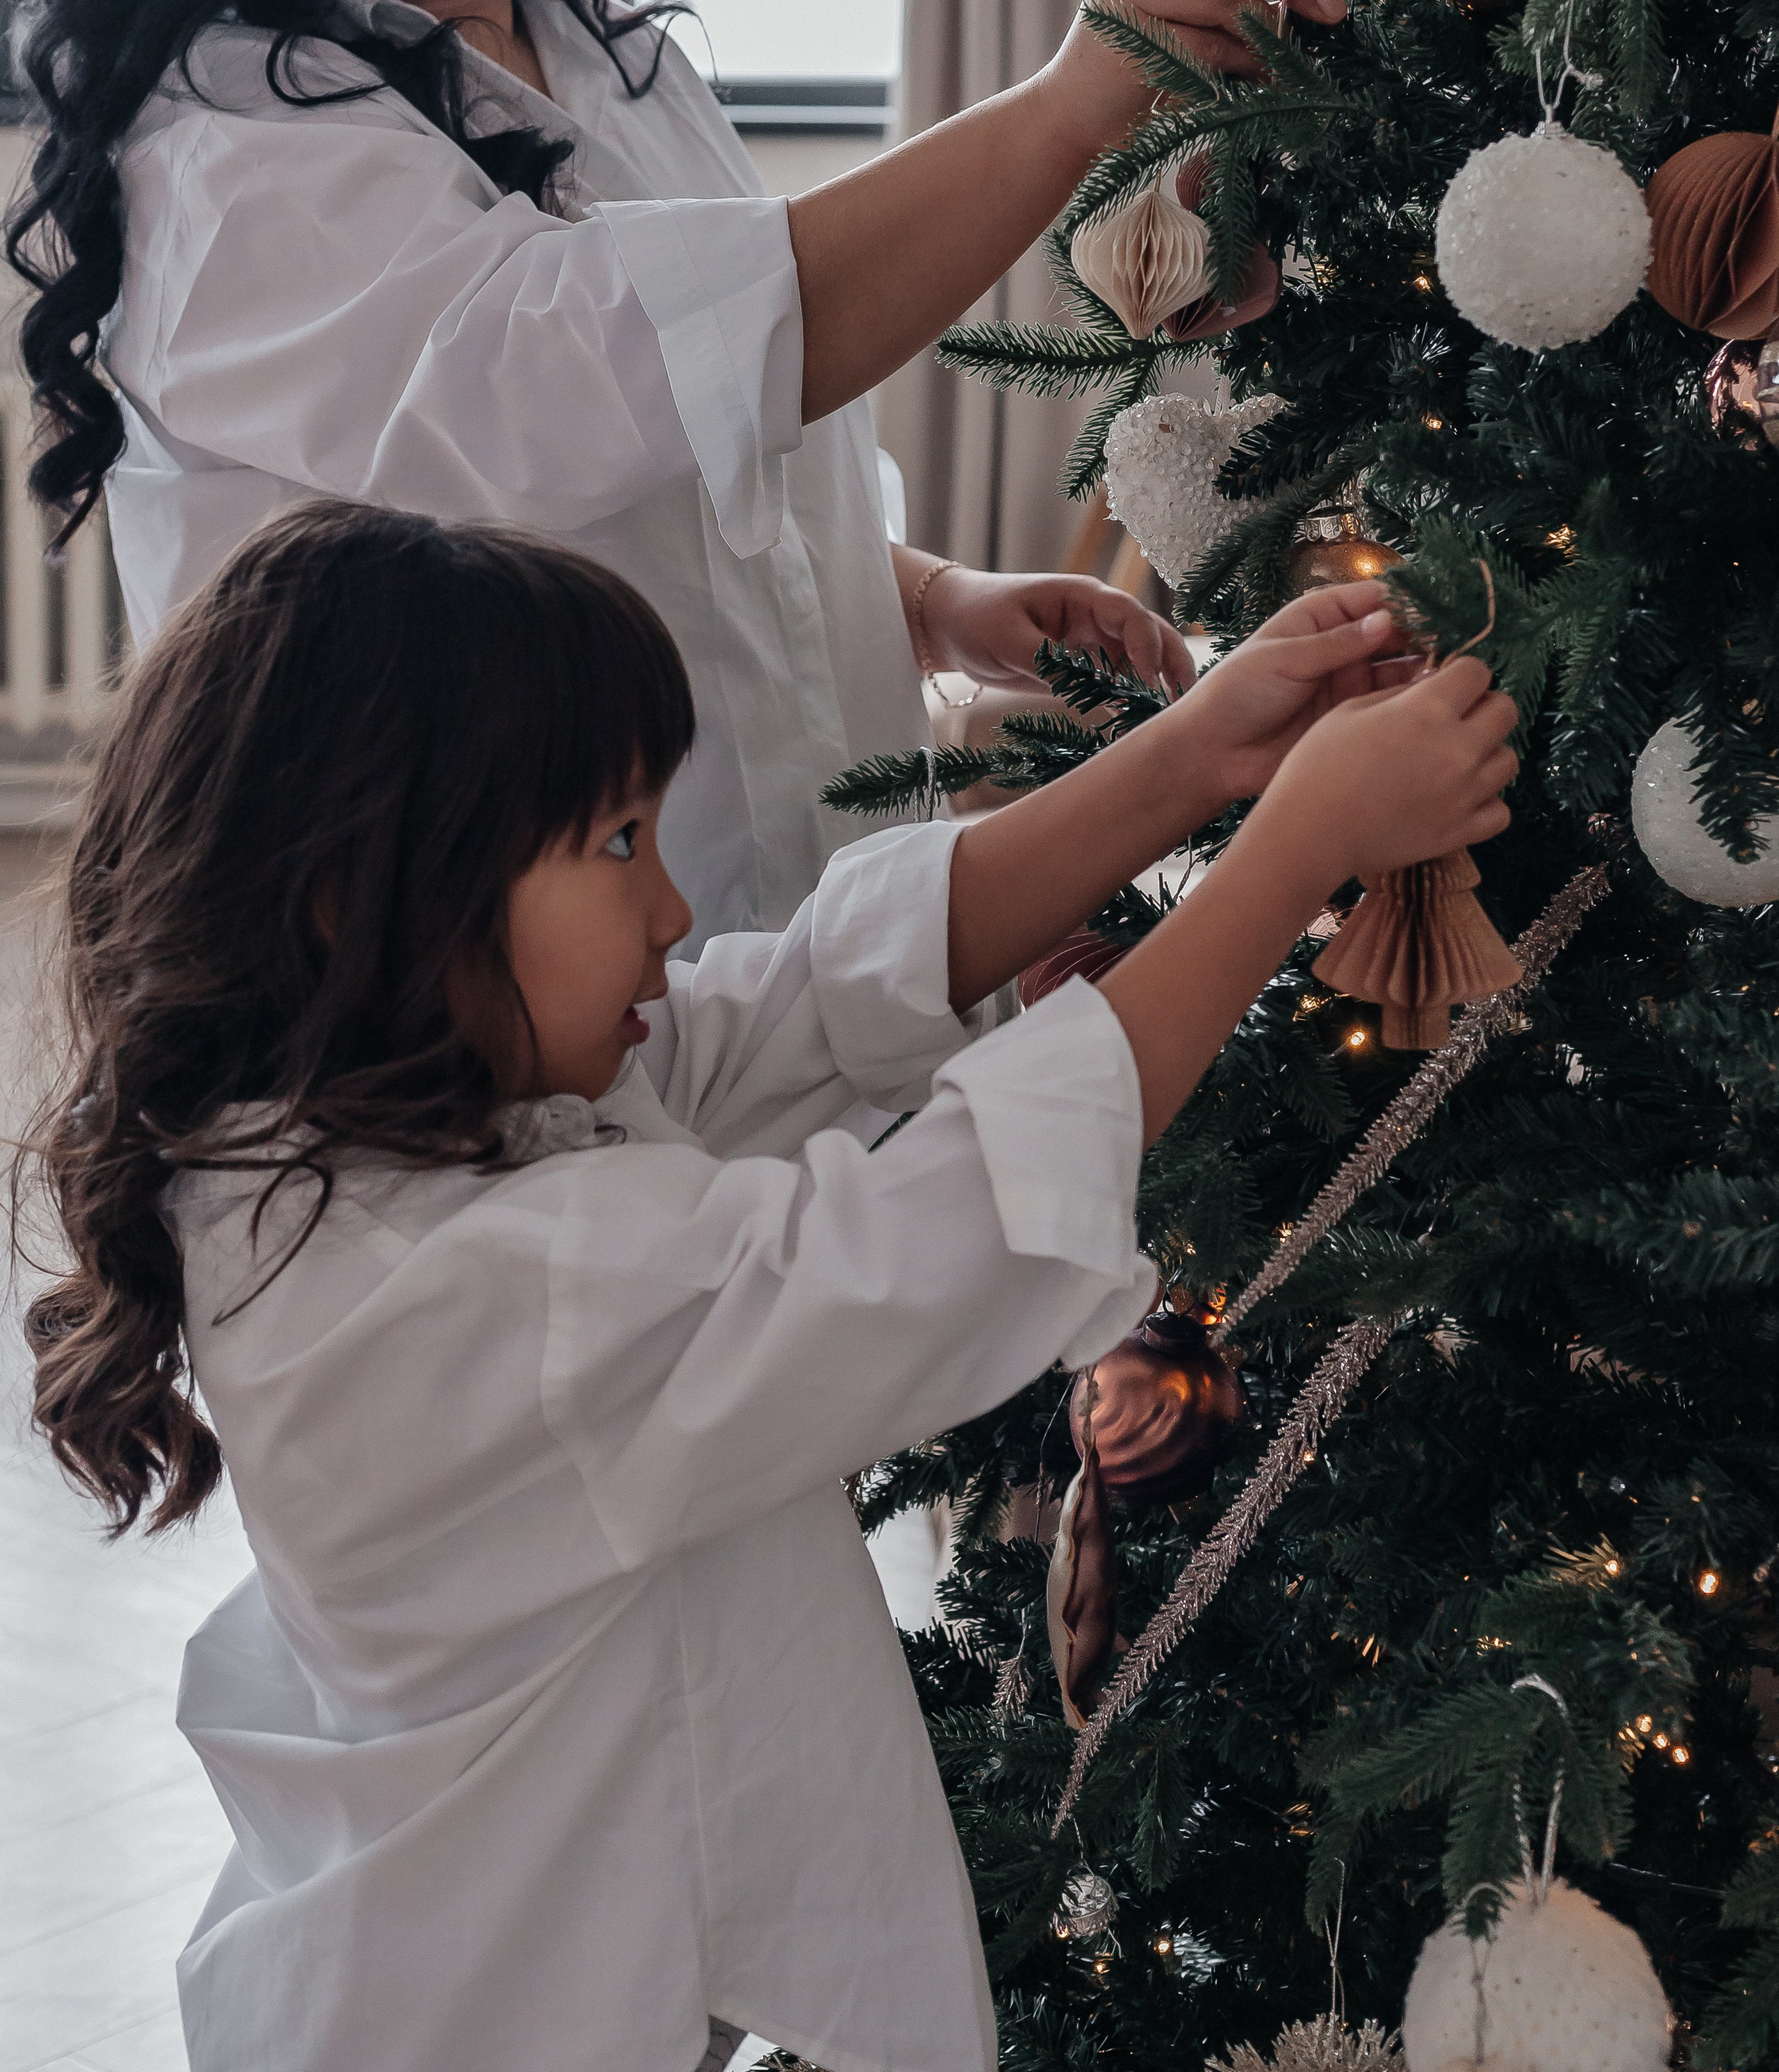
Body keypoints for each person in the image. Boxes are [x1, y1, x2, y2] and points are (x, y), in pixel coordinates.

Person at [15, 502, 1517, 2072]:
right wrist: (1290, 855)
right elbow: (921, 1240)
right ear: (365, 898)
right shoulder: (467, 1285)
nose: (669, 909)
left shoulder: (375, 1104)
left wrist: (1196, 757)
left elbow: (798, 1001)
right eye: (614, 845)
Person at [5, 0, 1362, 939]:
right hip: (450, 977)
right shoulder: (222, 142)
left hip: (766, 938)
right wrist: (1062, 107)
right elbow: (600, 381)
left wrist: (921, 598)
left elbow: (698, 461)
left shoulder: (592, 43)